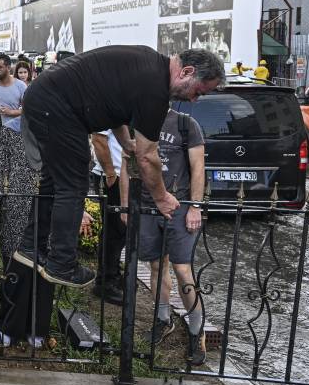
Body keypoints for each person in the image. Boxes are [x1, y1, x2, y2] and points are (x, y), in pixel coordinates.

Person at [13, 46, 224, 288]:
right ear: (186, 71)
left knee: (54, 179)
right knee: (73, 183)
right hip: (56, 105)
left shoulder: (148, 66)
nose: (194, 99)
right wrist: (162, 197)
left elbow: (115, 110)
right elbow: (148, 158)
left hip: (45, 98)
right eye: (198, 91)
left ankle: (31, 246)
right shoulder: (155, 90)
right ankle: (62, 264)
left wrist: (126, 143)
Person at [0, 124, 92, 347]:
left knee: (46, 272)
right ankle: (8, 325)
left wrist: (77, 207)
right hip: (18, 207)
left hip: (51, 210)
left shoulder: (65, 132)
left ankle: (37, 327)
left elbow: (78, 171)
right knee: (16, 271)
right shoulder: (10, 131)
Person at [119, 107, 207, 366]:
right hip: (146, 206)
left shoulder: (185, 124)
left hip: (179, 207)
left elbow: (198, 167)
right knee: (157, 266)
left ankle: (196, 331)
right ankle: (163, 319)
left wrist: (195, 206)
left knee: (182, 270)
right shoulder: (135, 123)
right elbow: (126, 165)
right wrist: (126, 204)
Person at [90, 131, 125, 305]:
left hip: (122, 175)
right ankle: (105, 283)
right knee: (114, 231)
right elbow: (98, 138)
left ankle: (113, 276)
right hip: (112, 176)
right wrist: (110, 172)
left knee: (120, 231)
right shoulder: (109, 104)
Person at [0, 53, 26, 133]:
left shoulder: (20, 86)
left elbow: (29, 109)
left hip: (12, 133)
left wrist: (11, 112)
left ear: (8, 68)